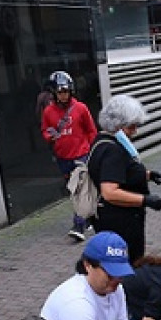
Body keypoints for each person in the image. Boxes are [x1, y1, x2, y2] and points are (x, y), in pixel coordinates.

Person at [87, 95, 161, 263]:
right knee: (127, 263)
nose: (134, 132)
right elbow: (110, 192)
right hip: (120, 222)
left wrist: (149, 175)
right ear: (118, 125)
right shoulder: (112, 151)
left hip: (111, 220)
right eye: (131, 127)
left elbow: (123, 172)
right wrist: (145, 200)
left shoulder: (102, 141)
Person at [40, 70, 98, 241]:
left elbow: (91, 130)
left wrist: (90, 149)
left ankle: (78, 224)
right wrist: (50, 136)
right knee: (74, 191)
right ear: (54, 93)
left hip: (81, 156)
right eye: (60, 92)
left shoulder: (80, 108)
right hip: (62, 157)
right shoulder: (49, 112)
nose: (64, 95)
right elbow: (45, 129)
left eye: (66, 91)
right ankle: (88, 217)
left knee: (80, 189)